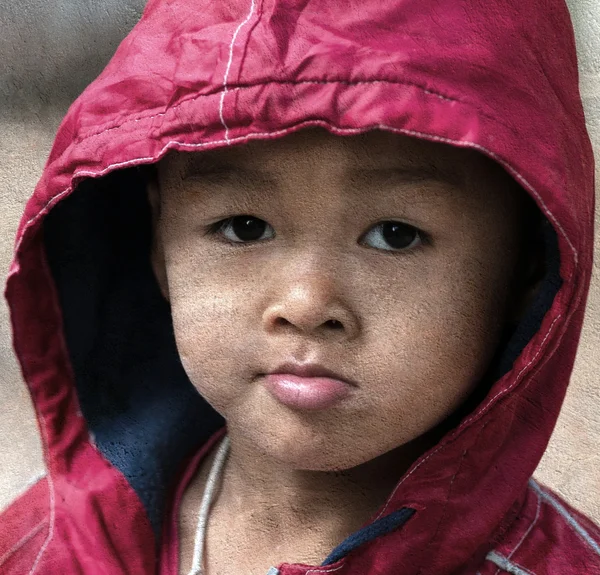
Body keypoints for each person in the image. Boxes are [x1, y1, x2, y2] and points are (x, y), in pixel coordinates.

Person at [0, 0, 599, 574]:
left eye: (395, 235)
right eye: (244, 227)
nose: (306, 305)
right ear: (161, 247)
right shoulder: (43, 546)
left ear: (527, 270)